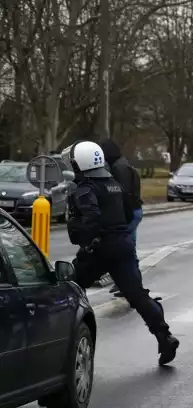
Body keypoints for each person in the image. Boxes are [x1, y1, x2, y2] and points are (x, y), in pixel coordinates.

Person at [62, 140, 179, 365]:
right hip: (122, 245)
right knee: (138, 295)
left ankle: (60, 343)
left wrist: (83, 237)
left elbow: (91, 219)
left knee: (70, 289)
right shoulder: (113, 183)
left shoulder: (86, 188)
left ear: (81, 164)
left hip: (99, 248)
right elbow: (127, 211)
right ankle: (164, 336)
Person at [99, 138, 143, 297]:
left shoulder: (119, 167)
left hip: (129, 212)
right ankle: (127, 284)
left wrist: (121, 216)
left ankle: (130, 285)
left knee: (124, 250)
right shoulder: (122, 164)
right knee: (127, 249)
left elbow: (122, 194)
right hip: (134, 211)